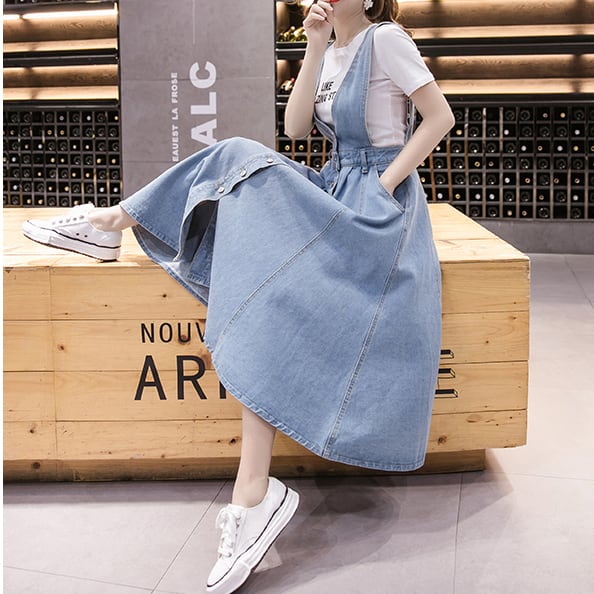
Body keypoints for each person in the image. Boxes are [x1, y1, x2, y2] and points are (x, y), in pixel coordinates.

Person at [21, 1, 454, 591]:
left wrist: (383, 183)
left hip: (378, 211)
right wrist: (314, 46)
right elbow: (297, 130)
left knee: (257, 236)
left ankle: (110, 225)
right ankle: (114, 221)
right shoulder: (333, 49)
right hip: (334, 188)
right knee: (238, 155)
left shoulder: (387, 40)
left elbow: (439, 117)